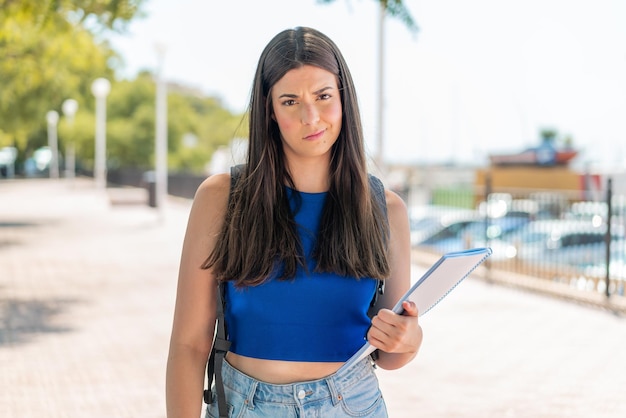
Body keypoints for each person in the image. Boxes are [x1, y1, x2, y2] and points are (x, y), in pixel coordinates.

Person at [166, 26, 423, 418]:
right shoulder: (222, 199)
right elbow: (189, 345)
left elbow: (388, 356)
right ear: (269, 110)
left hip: (354, 404)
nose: (311, 117)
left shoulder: (386, 209)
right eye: (290, 101)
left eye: (323, 96)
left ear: (343, 99)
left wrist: (409, 339)